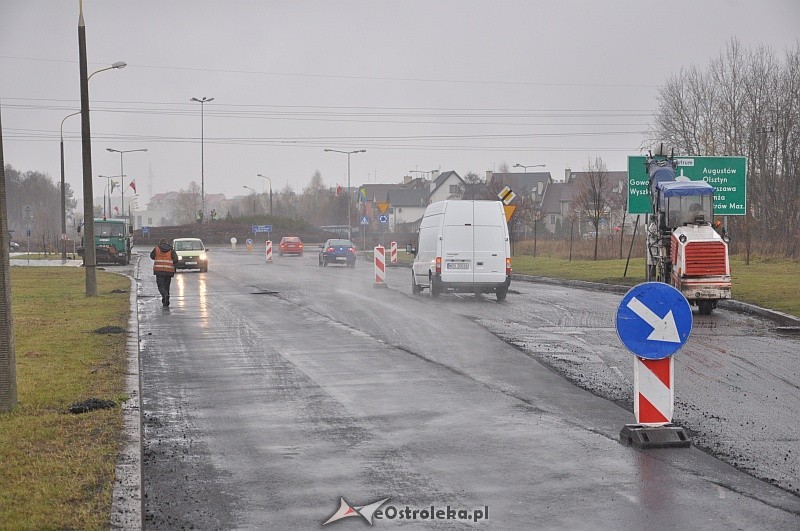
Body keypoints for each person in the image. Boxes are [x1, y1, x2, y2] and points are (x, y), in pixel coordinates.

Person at [150, 238, 178, 307]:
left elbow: (152, 256)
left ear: (160, 243)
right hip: (169, 270)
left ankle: (165, 296)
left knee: (161, 286)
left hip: (159, 270)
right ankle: (166, 301)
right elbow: (176, 259)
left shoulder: (156, 248)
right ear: (167, 243)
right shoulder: (171, 249)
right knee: (167, 286)